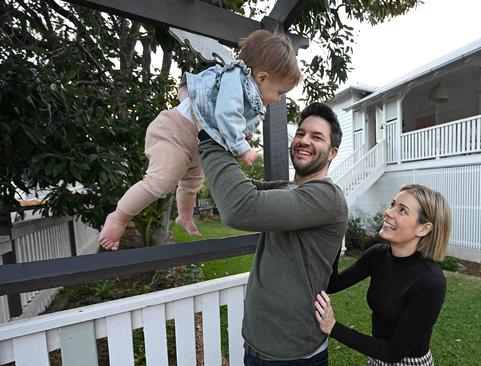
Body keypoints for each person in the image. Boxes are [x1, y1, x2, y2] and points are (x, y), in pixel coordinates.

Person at [99, 29, 301, 250]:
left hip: (197, 142)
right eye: (280, 92)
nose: (279, 98)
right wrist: (242, 147)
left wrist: (244, 133)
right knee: (161, 182)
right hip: (175, 132)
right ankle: (119, 216)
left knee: (192, 182)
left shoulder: (249, 90)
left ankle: (184, 216)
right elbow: (226, 113)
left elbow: (234, 119)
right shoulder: (235, 77)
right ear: (262, 77)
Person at [198, 101, 348, 365]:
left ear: (333, 152)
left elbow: (240, 207)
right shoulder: (288, 188)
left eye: (317, 137)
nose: (304, 140)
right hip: (255, 345)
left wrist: (210, 137)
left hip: (294, 356)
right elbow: (232, 191)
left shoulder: (327, 198)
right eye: (300, 133)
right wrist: (233, 138)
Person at [315, 184, 451, 366]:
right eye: (393, 204)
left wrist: (333, 327)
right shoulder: (378, 255)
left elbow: (393, 352)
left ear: (424, 229)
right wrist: (335, 236)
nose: (389, 212)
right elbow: (333, 284)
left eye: (402, 210)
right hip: (376, 357)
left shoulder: (431, 282)